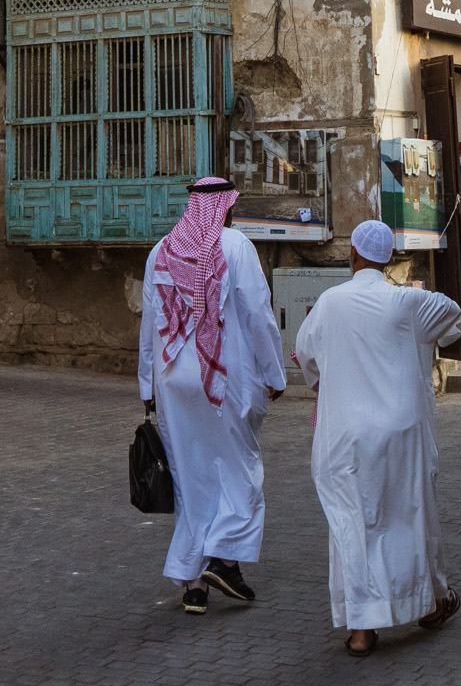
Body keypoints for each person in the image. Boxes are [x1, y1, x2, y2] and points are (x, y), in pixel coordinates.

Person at [294, 219, 461, 658]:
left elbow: (306, 355)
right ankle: (427, 602)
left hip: (344, 437)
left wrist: (325, 382)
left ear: (353, 255)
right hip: (401, 435)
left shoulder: (329, 303)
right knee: (408, 517)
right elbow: (452, 317)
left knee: (352, 526)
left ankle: (363, 630)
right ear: (390, 259)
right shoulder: (407, 302)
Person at [138, 175, 287, 615]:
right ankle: (225, 559)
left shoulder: (161, 250)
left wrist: (146, 386)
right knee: (241, 471)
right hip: (223, 378)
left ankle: (193, 584)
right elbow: (258, 315)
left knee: (192, 478)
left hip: (171, 382)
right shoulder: (236, 246)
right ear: (225, 207)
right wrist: (275, 375)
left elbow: (150, 324)